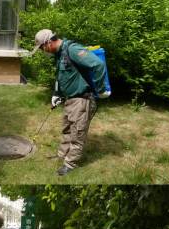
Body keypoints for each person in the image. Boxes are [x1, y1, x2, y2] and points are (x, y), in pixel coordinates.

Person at [31, 29, 110, 176]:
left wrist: (100, 90)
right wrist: (57, 94)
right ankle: (62, 155)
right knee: (67, 130)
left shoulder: (72, 49)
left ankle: (70, 164)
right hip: (69, 100)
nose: (43, 51)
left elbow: (98, 65)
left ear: (48, 42)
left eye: (42, 47)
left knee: (77, 133)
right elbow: (60, 76)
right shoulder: (59, 54)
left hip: (82, 99)